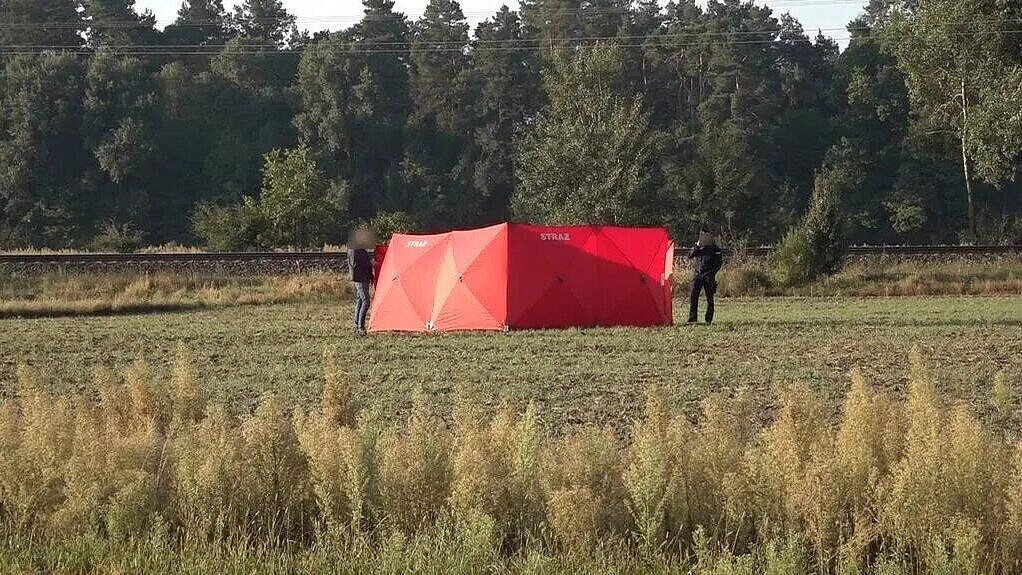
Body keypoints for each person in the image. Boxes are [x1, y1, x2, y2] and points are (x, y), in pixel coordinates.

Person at [687, 230, 724, 325]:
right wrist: (697, 246)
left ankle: (708, 319)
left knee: (709, 298)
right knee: (693, 296)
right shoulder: (699, 248)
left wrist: (712, 273)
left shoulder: (715, 250)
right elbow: (690, 255)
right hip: (697, 275)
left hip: (709, 276)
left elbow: (719, 263)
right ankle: (692, 319)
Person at [348, 229, 375, 334]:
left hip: (362, 277)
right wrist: (369, 267)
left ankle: (357, 325)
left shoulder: (358, 248)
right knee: (366, 301)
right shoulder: (355, 249)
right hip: (360, 278)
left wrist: (370, 275)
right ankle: (360, 326)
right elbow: (356, 265)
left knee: (360, 300)